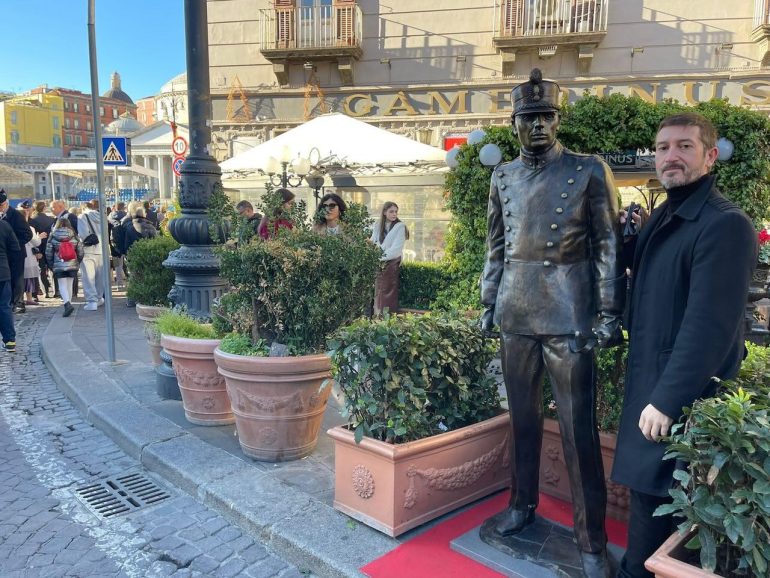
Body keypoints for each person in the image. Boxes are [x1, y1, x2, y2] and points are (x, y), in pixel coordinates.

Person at [479, 69, 624, 578]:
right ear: (514, 124)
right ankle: (521, 505)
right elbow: (496, 247)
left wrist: (609, 312)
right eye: (529, 118)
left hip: (569, 314)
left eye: (546, 116)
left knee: (577, 430)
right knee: (521, 420)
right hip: (516, 312)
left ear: (558, 120)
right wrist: (488, 302)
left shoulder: (588, 170)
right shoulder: (502, 177)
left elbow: (608, 245)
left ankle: (591, 542)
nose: (538, 125)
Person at [611, 113, 757, 578]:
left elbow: (710, 326)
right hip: (651, 382)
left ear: (710, 156)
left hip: (680, 399)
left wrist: (667, 399)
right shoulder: (667, 213)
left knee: (665, 512)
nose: (670, 156)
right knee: (647, 502)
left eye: (684, 146)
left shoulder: (725, 224)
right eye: (662, 148)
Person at [371, 201, 409, 314]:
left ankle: (388, 318)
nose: (394, 214)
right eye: (391, 211)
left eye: (396, 212)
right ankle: (377, 317)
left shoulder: (400, 227)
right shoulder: (378, 225)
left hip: (392, 264)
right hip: (379, 264)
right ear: (384, 212)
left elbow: (396, 251)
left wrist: (377, 257)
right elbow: (374, 241)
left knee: (388, 293)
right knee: (378, 292)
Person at [0, 191, 33, 314]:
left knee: (17, 279)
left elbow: (27, 234)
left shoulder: (15, 215)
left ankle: (19, 303)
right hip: (4, 255)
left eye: (1, 206)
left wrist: (13, 244)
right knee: (6, 279)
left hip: (16, 254)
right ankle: (8, 302)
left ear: (6, 204)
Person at [45, 216, 83, 318]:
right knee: (69, 285)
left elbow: (48, 251)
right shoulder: (74, 235)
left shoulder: (53, 235)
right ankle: (69, 303)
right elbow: (80, 250)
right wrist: (78, 261)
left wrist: (50, 264)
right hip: (72, 263)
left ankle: (67, 304)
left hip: (59, 264)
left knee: (62, 285)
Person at [78, 199, 105, 311]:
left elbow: (83, 234)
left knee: (88, 277)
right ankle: (99, 298)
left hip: (88, 250)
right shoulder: (102, 216)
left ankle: (92, 301)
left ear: (84, 208)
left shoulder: (82, 217)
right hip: (102, 250)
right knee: (100, 277)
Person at [0, 207, 19, 352]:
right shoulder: (4, 225)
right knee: (4, 306)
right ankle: (10, 340)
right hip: (3, 271)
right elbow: (15, 249)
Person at [29, 201, 55, 298]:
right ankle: (56, 291)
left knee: (42, 270)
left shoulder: (32, 220)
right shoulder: (51, 219)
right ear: (44, 208)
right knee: (52, 269)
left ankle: (46, 291)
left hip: (38, 247)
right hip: (50, 246)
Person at [108, 201, 127, 288]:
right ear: (123, 207)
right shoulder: (126, 216)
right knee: (124, 260)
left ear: (115, 207)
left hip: (114, 242)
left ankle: (119, 283)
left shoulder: (110, 216)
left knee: (116, 263)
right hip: (125, 241)